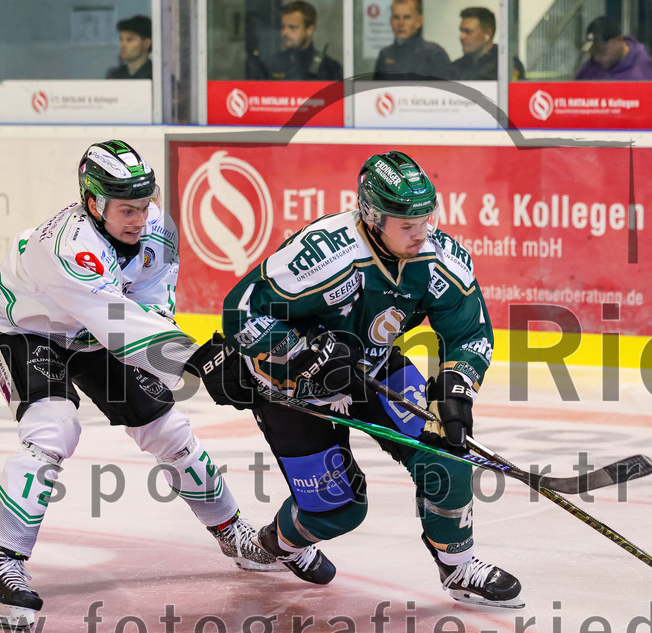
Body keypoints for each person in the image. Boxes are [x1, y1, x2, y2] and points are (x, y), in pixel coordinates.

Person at [0, 139, 280, 630]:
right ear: (93, 203)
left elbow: (152, 307)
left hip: (93, 331)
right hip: (26, 328)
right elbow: (118, 321)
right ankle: (1, 563)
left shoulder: (157, 228)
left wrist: (180, 363)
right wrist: (197, 359)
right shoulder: (68, 249)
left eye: (143, 205)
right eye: (126, 209)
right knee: (53, 430)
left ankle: (232, 531)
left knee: (167, 428)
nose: (139, 219)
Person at [218, 151, 523, 609]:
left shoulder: (438, 258)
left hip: (373, 369)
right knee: (340, 510)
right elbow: (241, 310)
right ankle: (273, 545)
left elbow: (469, 333)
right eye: (407, 224)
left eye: (426, 218)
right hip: (291, 390)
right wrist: (302, 355)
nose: (421, 232)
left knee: (444, 454)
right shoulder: (323, 254)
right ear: (371, 217)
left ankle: (458, 567)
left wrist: (456, 390)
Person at [245, 0, 343, 81]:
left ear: (310, 30)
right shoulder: (271, 65)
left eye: (292, 27)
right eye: (283, 27)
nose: (284, 33)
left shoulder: (329, 68)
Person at [373, 0, 451, 80]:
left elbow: (445, 91)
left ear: (419, 21)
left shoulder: (434, 54)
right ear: (390, 21)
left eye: (407, 17)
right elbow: (377, 91)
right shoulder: (386, 54)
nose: (400, 23)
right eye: (396, 17)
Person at [575, 15, 652, 81]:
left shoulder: (648, 70)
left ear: (618, 40)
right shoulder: (589, 70)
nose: (597, 58)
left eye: (601, 51)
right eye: (593, 52)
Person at [449, 6, 498, 80]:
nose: (461, 37)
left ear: (488, 34)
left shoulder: (505, 65)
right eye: (461, 31)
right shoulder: (455, 68)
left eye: (468, 31)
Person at [106, 15, 152, 79]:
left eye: (129, 40)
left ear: (146, 43)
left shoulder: (155, 74)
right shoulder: (114, 75)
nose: (122, 45)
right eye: (121, 40)